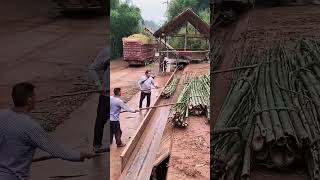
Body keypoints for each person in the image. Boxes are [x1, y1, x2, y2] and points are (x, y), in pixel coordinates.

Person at [0, 82, 95, 180]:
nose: (36, 100)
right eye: (34, 96)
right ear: (29, 100)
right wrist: (80, 155)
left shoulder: (1, 116)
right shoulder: (30, 126)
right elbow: (56, 150)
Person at [89, 46, 110, 153]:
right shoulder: (106, 51)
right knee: (100, 121)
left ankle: (117, 143)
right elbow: (92, 68)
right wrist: (98, 85)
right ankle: (96, 145)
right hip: (106, 96)